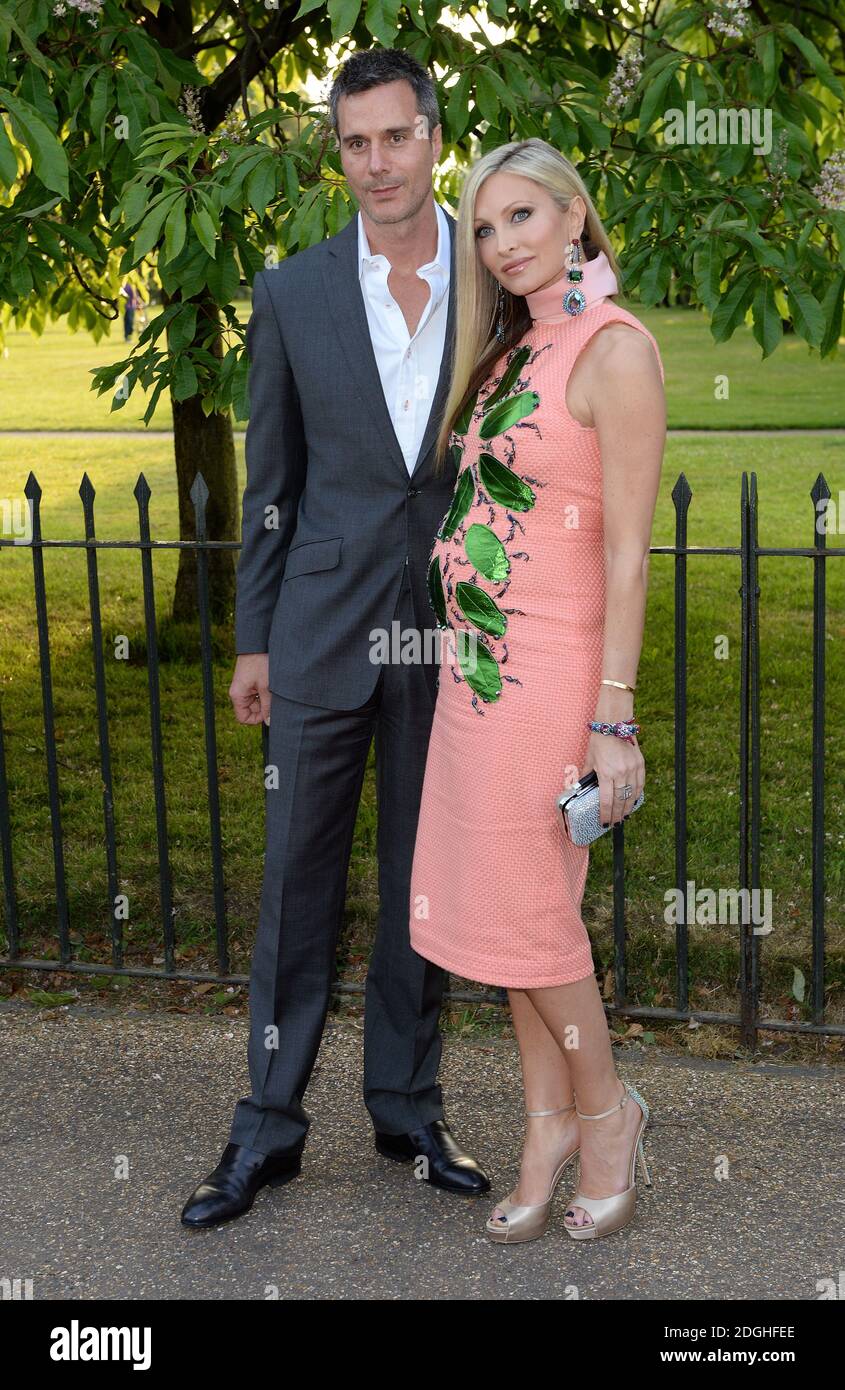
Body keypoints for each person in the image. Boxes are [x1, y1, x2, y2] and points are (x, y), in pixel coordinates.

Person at [181, 49, 490, 1230]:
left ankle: (407, 1105)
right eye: (354, 143)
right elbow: (273, 482)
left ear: (431, 135)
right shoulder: (292, 291)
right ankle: (266, 1125)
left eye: (396, 138)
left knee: (427, 880)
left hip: (453, 636)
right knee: (293, 886)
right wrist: (253, 637)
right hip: (316, 631)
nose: (377, 164)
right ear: (337, 151)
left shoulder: (494, 272)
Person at [409, 138, 666, 1243]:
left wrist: (612, 717)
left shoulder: (613, 350)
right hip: (474, 682)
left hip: (555, 684)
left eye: (520, 217)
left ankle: (608, 1116)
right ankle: (544, 1119)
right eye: (483, 226)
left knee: (534, 924)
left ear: (572, 216)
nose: (501, 243)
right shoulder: (510, 351)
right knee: (501, 924)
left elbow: (625, 553)